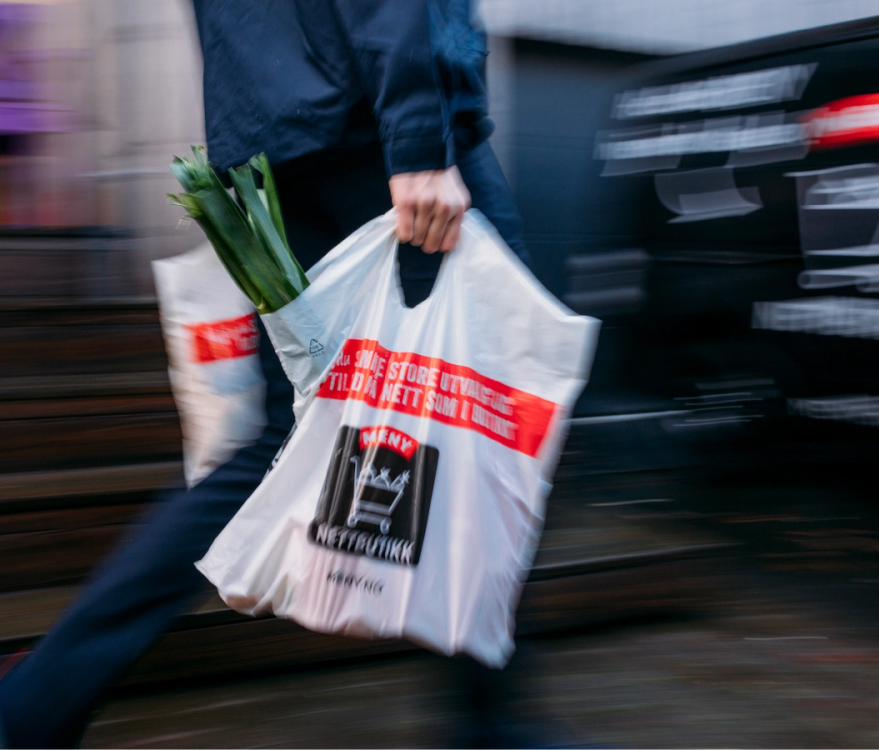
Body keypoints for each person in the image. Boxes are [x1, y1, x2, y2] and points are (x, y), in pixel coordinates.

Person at [0, 1, 527, 748]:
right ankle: (490, 726)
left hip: (271, 138)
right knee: (495, 413)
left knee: (280, 441)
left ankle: (33, 704)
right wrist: (418, 138)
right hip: (371, 125)